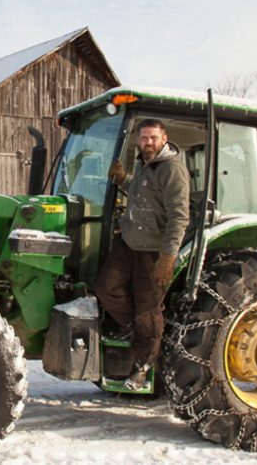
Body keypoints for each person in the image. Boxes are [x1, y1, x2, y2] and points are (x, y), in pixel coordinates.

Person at [94, 118, 190, 390]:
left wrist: (168, 256)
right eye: (144, 138)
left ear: (164, 138)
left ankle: (143, 366)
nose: (148, 142)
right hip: (128, 244)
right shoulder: (145, 164)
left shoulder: (172, 169)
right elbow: (142, 197)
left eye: (153, 138)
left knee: (148, 311)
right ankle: (137, 332)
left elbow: (179, 216)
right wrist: (124, 180)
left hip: (153, 251)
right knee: (105, 286)